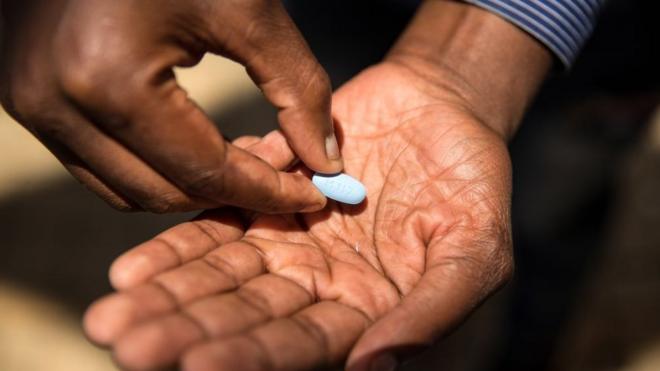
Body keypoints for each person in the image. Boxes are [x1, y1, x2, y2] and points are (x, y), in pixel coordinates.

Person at [1, 0, 603, 370]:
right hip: (339, 14)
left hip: (601, 47)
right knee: (330, 81)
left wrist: (473, 59)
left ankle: (529, 353)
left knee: (555, 212)